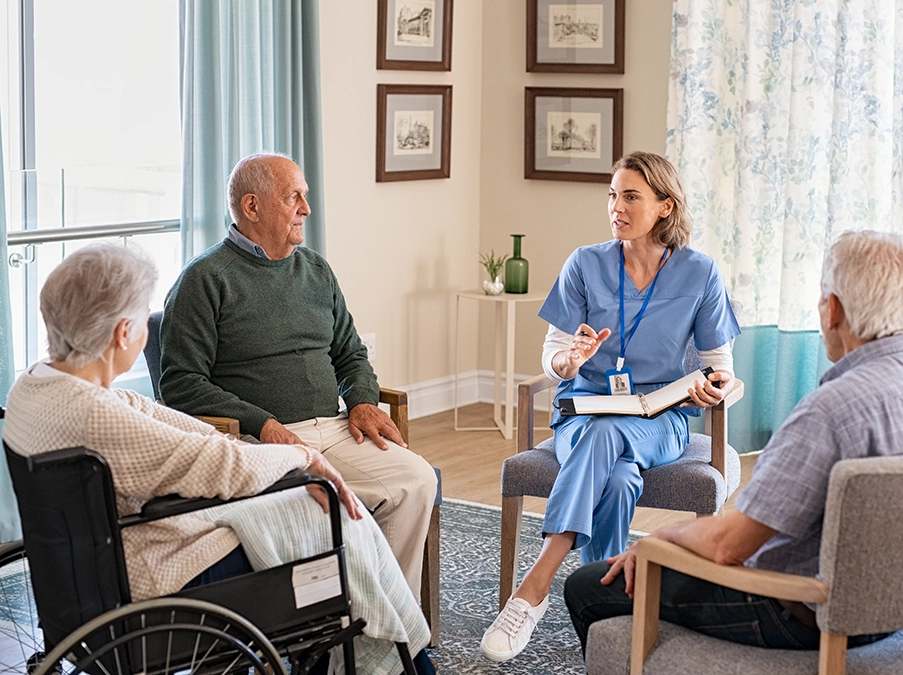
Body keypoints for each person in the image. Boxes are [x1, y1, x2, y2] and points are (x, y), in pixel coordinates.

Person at [3, 244, 435, 675]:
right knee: (335, 521)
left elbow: (156, 417)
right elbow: (215, 466)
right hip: (157, 574)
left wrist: (256, 450)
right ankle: (397, 661)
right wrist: (299, 456)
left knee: (318, 514)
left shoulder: (34, 388)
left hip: (85, 581)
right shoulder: (95, 415)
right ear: (122, 333)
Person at [564, 229, 903, 655]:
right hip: (888, 613)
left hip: (797, 611)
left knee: (587, 585)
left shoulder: (827, 413)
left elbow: (728, 546)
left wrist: (660, 539)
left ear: (833, 309)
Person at [481, 151, 741, 662]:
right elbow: (553, 354)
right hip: (583, 410)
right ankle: (603, 614)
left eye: (630, 196)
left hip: (660, 420)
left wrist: (718, 387)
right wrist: (569, 363)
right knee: (617, 475)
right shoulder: (585, 263)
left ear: (665, 207)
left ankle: (534, 587)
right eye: (612, 195)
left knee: (609, 436)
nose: (615, 207)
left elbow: (721, 366)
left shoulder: (700, 273)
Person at [159, 153, 437, 596]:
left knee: (416, 479)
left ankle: (386, 625)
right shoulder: (204, 279)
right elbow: (180, 383)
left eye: (304, 197)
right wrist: (262, 425)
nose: (306, 209)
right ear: (252, 207)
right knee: (314, 507)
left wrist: (363, 399)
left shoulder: (315, 270)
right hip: (259, 443)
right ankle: (327, 626)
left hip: (335, 427)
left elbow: (350, 351)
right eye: (294, 197)